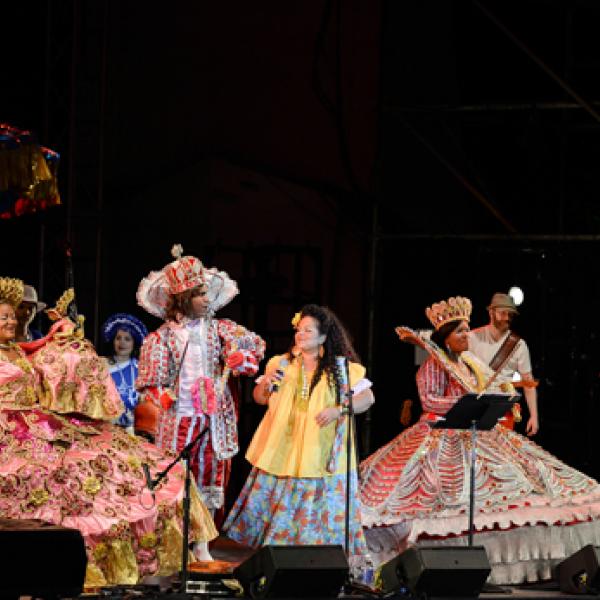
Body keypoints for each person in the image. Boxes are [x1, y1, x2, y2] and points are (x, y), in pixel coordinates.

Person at [360, 296, 600, 584]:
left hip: (472, 429)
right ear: (446, 338)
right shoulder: (433, 365)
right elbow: (429, 400)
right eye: (460, 331)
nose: (466, 336)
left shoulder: (467, 364)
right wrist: (466, 401)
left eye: (467, 329)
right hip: (440, 432)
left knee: (530, 476)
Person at [0, 278, 217, 587]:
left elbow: (51, 356)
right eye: (4, 316)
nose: (12, 321)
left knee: (121, 462)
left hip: (38, 423)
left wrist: (63, 333)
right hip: (9, 432)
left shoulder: (20, 352)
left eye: (14, 315)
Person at [223, 304, 375, 565]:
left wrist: (339, 410)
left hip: (321, 448)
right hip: (284, 445)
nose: (300, 335)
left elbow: (367, 399)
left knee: (320, 506)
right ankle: (279, 560)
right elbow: (259, 398)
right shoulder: (280, 363)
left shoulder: (341, 369)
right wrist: (268, 384)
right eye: (299, 330)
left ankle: (319, 561)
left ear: (323, 337)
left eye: (308, 330)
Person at [135, 245, 265, 534]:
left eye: (207, 293)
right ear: (184, 299)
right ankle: (176, 541)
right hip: (179, 422)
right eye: (200, 294)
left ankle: (203, 542)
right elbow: (151, 381)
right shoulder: (162, 338)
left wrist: (238, 357)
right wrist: (170, 398)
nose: (207, 299)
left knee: (210, 478)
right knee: (175, 479)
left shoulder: (220, 330)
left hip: (213, 421)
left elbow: (252, 350)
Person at [469, 292, 539, 435]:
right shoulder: (472, 337)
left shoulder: (519, 345)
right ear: (491, 312)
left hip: (502, 411)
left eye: (510, 315)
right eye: (503, 313)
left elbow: (528, 383)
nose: (507, 318)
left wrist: (534, 416)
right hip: (475, 408)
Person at [101, 312, 148, 432]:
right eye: (118, 338)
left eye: (127, 339)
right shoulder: (102, 364)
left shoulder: (141, 368)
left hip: (133, 429)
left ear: (134, 343)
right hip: (105, 425)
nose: (122, 342)